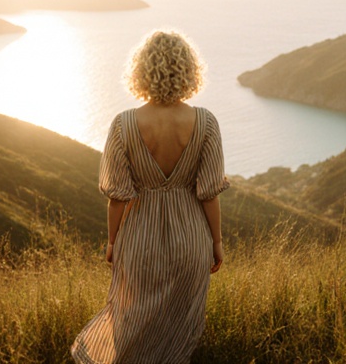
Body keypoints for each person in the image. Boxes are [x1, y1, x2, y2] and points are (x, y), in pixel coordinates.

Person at [71, 30, 230, 364]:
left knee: (131, 320)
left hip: (139, 238)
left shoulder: (123, 124)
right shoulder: (206, 122)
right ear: (189, 70)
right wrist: (216, 242)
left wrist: (113, 242)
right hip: (191, 239)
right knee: (177, 323)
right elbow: (209, 193)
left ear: (141, 70)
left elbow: (117, 197)